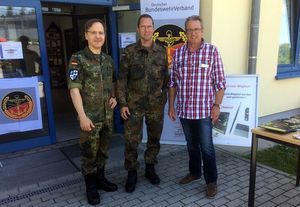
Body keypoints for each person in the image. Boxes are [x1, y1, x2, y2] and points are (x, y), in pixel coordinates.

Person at [168, 15, 226, 198]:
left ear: (202, 31)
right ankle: (194, 173)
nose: (193, 33)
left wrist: (217, 105)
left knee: (206, 147)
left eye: (196, 29)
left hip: (203, 112)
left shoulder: (212, 52)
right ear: (185, 32)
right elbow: (172, 83)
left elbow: (220, 82)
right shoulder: (178, 53)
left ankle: (211, 181)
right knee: (191, 145)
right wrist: (171, 106)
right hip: (185, 111)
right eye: (190, 30)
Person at [67, 19, 118, 205]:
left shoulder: (108, 60)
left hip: (107, 117)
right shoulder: (77, 59)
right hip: (89, 118)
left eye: (101, 33)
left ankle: (101, 179)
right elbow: (74, 89)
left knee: (103, 152)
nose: (98, 36)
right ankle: (91, 187)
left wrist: (114, 96)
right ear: (86, 35)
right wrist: (82, 116)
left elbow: (112, 81)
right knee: (89, 154)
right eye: (94, 32)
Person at [117, 14, 169, 193]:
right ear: (138, 29)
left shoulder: (162, 51)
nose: (147, 29)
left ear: (153, 28)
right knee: (131, 141)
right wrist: (122, 103)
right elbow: (122, 79)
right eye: (143, 26)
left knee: (154, 139)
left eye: (150, 26)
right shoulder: (129, 51)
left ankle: (150, 168)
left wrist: (164, 100)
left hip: (155, 105)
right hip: (134, 105)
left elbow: (166, 79)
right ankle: (132, 172)